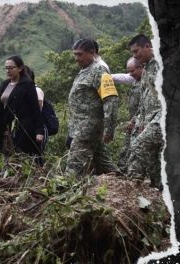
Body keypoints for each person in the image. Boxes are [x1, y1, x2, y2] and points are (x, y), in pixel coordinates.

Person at [66, 38, 120, 178]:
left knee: (74, 165)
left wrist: (109, 129)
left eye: (80, 54)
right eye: (75, 54)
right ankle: (124, 183)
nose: (77, 58)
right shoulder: (85, 70)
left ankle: (64, 188)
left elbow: (111, 100)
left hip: (88, 128)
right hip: (80, 126)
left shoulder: (99, 70)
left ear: (92, 53)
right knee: (103, 163)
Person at [0, 56, 45, 164]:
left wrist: (39, 131)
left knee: (23, 156)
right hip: (6, 126)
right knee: (7, 155)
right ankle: (7, 179)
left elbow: (35, 108)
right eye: (6, 68)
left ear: (20, 68)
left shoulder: (27, 84)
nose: (8, 71)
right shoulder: (5, 84)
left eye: (11, 68)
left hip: (23, 125)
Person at [126, 34, 163, 189]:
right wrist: (140, 120)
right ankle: (160, 190)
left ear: (148, 46)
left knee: (139, 145)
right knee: (153, 159)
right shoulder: (146, 68)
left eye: (137, 51)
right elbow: (145, 98)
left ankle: (133, 187)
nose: (135, 56)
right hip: (150, 117)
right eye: (133, 53)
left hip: (162, 117)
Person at [111, 57, 143, 171]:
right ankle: (122, 171)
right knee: (126, 147)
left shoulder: (148, 81)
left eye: (132, 71)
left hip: (142, 122)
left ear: (141, 67)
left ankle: (136, 174)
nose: (130, 74)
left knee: (137, 148)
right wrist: (107, 76)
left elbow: (144, 106)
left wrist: (134, 120)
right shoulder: (135, 79)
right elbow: (123, 77)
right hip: (133, 121)